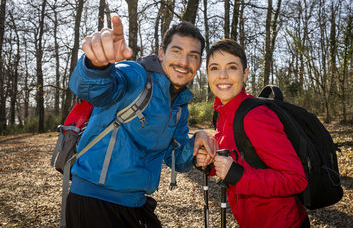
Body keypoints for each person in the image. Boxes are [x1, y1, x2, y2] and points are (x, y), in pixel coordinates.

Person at [66, 15, 216, 228]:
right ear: (162, 53)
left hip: (136, 202)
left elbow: (177, 159)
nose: (184, 62)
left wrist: (196, 143)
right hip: (94, 201)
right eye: (177, 51)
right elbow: (93, 88)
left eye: (192, 56)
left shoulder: (179, 106)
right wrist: (96, 65)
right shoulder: (136, 75)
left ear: (199, 63)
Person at [197, 39, 309, 228]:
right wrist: (210, 164)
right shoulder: (223, 113)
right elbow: (242, 157)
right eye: (214, 68)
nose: (222, 75)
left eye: (232, 67)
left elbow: (296, 180)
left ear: (245, 74)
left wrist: (239, 176)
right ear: (207, 74)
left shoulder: (255, 116)